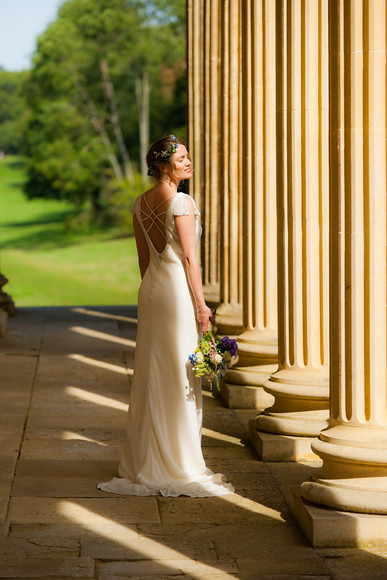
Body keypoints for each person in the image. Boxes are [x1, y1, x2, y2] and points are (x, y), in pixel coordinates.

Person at [98, 135, 234, 497]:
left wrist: (154, 293)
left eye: (188, 156)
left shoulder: (140, 203)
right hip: (176, 294)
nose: (188, 162)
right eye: (181, 158)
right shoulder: (182, 201)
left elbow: (145, 261)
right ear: (162, 165)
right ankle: (181, 462)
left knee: (152, 372)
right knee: (180, 374)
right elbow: (190, 258)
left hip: (153, 292)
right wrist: (201, 306)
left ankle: (146, 458)